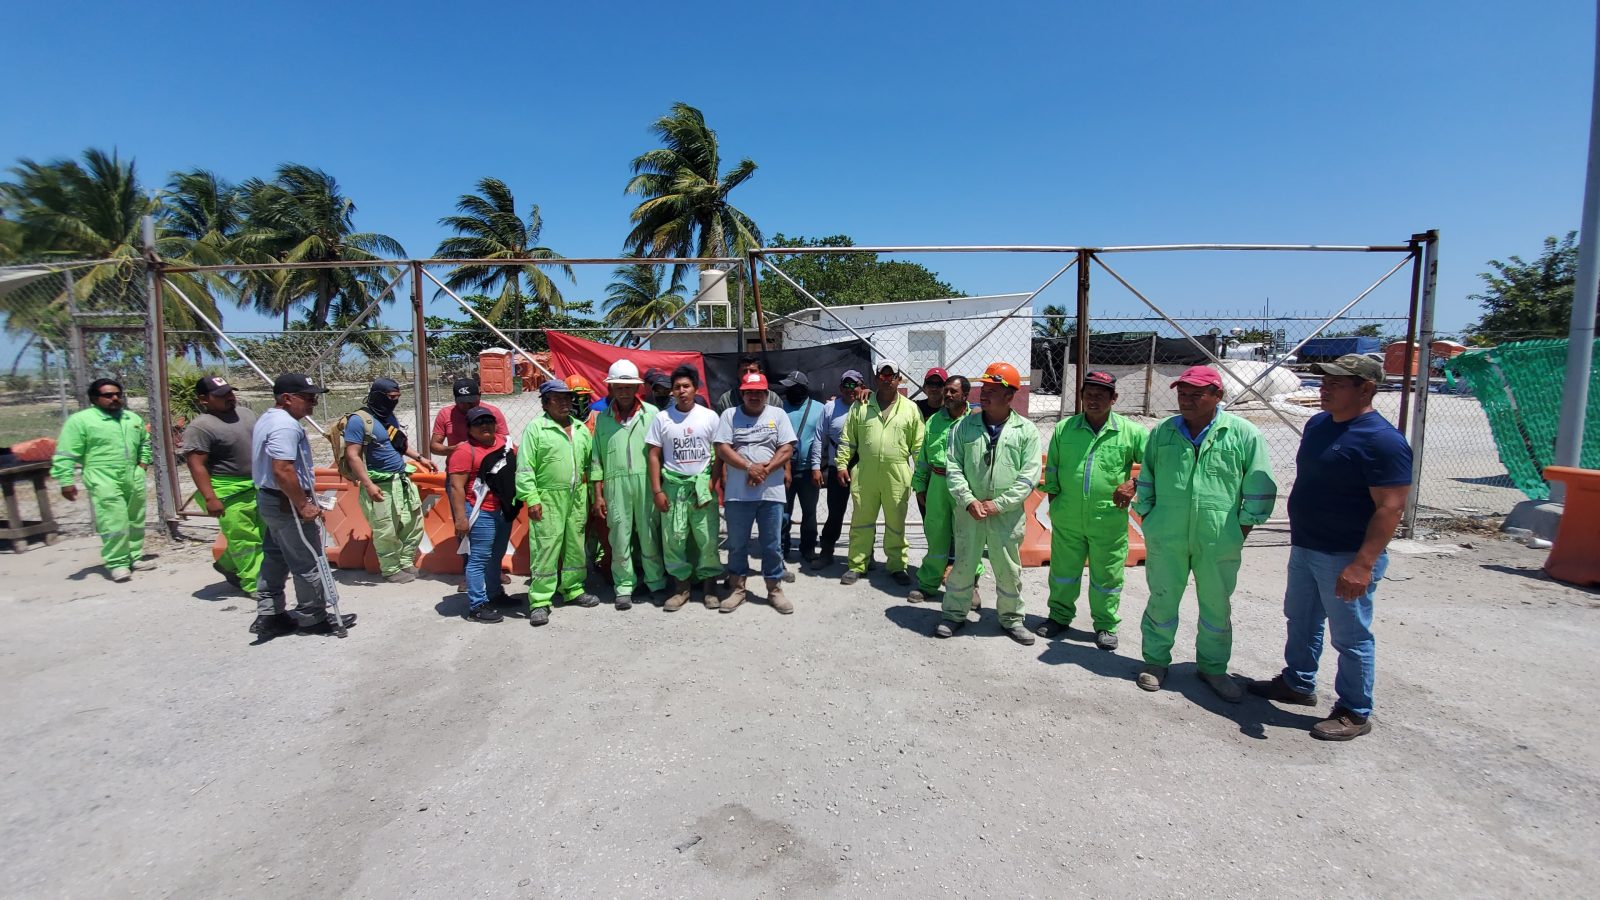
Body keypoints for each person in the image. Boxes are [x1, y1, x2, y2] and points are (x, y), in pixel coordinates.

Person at [1248, 354, 1411, 741]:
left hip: (1346, 555)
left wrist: (1363, 564)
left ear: (1366, 389)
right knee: (1300, 619)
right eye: (1324, 381)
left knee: (1350, 636)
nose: (1324, 389)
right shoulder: (1318, 424)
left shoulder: (1383, 441)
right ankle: (1298, 682)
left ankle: (1355, 710)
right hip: (1306, 545)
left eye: (1336, 383)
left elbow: (1390, 507)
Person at [1133, 365, 1277, 701]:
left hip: (1218, 537)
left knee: (1215, 605)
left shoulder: (1243, 434)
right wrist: (1148, 518)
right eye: (1183, 394)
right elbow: (1147, 478)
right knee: (1162, 598)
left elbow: (1259, 485)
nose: (1186, 400)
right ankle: (1155, 661)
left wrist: (1240, 529)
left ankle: (1213, 667)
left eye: (1196, 394)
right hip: (1167, 535)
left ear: (1218, 396)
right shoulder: (1163, 432)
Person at [1037, 370, 1148, 650]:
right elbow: (1053, 470)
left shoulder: (1131, 432)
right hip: (1068, 518)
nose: (1093, 400)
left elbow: (1156, 464)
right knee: (1063, 572)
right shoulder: (1065, 429)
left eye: (1100, 395)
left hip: (1108, 519)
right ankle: (1059, 616)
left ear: (1114, 398)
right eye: (1088, 395)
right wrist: (1056, 506)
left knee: (1107, 576)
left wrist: (1134, 483)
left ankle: (1105, 624)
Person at [934, 362, 1041, 644]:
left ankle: (1012, 619)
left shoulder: (1026, 431)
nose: (984, 393)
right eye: (984, 387)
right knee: (963, 564)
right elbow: (953, 467)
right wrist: (968, 500)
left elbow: (1029, 477)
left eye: (993, 389)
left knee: (1008, 569)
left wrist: (999, 504)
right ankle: (954, 614)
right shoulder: (964, 427)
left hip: (1005, 515)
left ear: (1010, 395)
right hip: (969, 512)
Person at [248, 373, 356, 637]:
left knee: (275, 556)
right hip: (286, 501)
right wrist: (303, 504)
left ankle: (269, 613)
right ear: (287, 398)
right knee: (307, 561)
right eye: (308, 398)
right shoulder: (286, 426)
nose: (313, 403)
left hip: (270, 498)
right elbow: (283, 469)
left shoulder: (268, 418)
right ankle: (313, 618)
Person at [516, 380, 602, 626]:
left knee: (575, 544)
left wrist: (594, 495)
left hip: (577, 497)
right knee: (546, 546)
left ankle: (573, 589)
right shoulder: (536, 429)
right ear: (545, 403)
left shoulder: (580, 428)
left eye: (567, 398)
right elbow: (525, 468)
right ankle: (540, 600)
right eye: (558, 398)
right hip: (547, 498)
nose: (565, 403)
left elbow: (591, 465)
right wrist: (532, 498)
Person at [51, 378, 153, 582]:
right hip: (102, 475)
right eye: (108, 395)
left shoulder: (131, 418)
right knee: (113, 519)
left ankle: (134, 556)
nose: (114, 398)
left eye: (117, 394)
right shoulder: (81, 421)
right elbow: (66, 453)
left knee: (135, 517)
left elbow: (145, 442)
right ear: (95, 399)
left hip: (133, 474)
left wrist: (142, 464)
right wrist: (66, 480)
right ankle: (117, 563)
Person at [713, 371, 797, 614]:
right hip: (738, 494)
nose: (754, 396)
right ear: (742, 393)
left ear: (766, 394)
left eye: (758, 392)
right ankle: (738, 589)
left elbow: (787, 448)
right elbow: (722, 448)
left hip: (771, 494)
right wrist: (749, 467)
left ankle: (774, 590)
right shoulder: (730, 415)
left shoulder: (778, 415)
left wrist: (765, 470)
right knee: (737, 545)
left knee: (772, 545)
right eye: (749, 392)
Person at [836, 361, 925, 587]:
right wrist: (842, 464)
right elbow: (848, 438)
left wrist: (922, 476)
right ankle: (857, 565)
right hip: (865, 472)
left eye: (891, 376)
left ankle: (897, 566)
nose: (887, 380)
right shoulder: (861, 406)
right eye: (882, 376)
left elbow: (918, 446)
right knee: (861, 521)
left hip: (897, 473)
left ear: (899, 379)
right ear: (876, 379)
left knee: (896, 523)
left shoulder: (910, 409)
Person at [646, 365, 724, 610]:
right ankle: (681, 588)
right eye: (677, 387)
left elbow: (720, 453)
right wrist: (658, 491)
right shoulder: (662, 419)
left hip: (701, 487)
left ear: (695, 389)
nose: (682, 391)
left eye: (686, 386)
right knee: (673, 540)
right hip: (673, 487)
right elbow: (653, 455)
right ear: (672, 391)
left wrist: (712, 482)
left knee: (707, 538)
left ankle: (710, 587)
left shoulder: (709, 417)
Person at [342, 378, 434, 584]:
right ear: (378, 396)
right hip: (379, 483)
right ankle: (390, 569)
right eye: (391, 397)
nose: (395, 401)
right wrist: (368, 484)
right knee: (386, 529)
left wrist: (420, 458)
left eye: (397, 397)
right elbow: (353, 455)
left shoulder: (389, 417)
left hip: (400, 479)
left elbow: (399, 444)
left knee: (412, 523)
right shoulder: (359, 421)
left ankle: (406, 562)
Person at [592, 359, 666, 609]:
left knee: (649, 534)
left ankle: (655, 583)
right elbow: (596, 460)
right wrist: (598, 495)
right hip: (615, 485)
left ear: (637, 388)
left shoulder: (652, 414)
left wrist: (660, 486)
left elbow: (662, 453)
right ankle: (624, 586)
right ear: (611, 388)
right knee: (619, 536)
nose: (623, 391)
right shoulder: (603, 419)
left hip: (646, 482)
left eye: (628, 386)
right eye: (618, 387)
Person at [180, 376, 262, 595]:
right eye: (221, 395)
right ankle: (255, 584)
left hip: (255, 484)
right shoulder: (201, 427)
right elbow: (196, 464)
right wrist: (210, 498)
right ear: (204, 399)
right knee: (244, 538)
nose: (229, 397)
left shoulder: (246, 414)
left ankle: (227, 564)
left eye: (230, 392)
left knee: (264, 533)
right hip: (226, 489)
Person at [910, 375, 983, 605]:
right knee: (936, 535)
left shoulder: (976, 420)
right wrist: (920, 484)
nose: (948, 394)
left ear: (965, 395)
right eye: (947, 390)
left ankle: (970, 586)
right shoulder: (934, 420)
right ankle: (928, 583)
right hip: (937, 483)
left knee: (967, 538)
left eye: (953, 391)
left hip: (966, 485)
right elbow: (924, 456)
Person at [449, 406, 516, 624]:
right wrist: (461, 518)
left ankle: (495, 594)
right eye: (478, 423)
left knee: (496, 555)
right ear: (469, 428)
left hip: (503, 510)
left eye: (489, 421)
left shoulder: (506, 445)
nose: (485, 425)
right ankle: (477, 606)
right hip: (481, 512)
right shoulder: (464, 451)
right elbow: (456, 487)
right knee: (478, 558)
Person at [812, 370, 866, 569]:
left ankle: (865, 555)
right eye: (846, 385)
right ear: (840, 388)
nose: (850, 389)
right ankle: (826, 552)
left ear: (862, 386)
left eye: (855, 385)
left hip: (863, 469)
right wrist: (816, 467)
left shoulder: (869, 405)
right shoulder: (829, 408)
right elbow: (819, 438)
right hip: (837, 469)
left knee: (865, 514)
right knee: (835, 513)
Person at [778, 371, 825, 569]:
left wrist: (817, 467)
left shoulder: (820, 409)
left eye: (793, 387)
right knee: (783, 512)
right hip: (783, 469)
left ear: (803, 389)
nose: (789, 391)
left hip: (808, 471)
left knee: (809, 512)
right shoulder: (779, 408)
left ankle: (808, 548)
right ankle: (782, 548)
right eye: (787, 387)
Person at [429, 377, 509, 459]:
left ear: (479, 396)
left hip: (488, 463)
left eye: (471, 401)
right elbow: (434, 446)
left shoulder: (492, 412)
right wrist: (455, 449)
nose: (468, 405)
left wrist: (481, 449)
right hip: (458, 463)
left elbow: (506, 442)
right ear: (455, 400)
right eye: (463, 402)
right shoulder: (446, 414)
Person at [714, 353, 782, 413]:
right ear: (738, 373)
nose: (748, 374)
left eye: (752, 371)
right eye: (744, 371)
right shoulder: (726, 400)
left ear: (760, 373)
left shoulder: (773, 399)